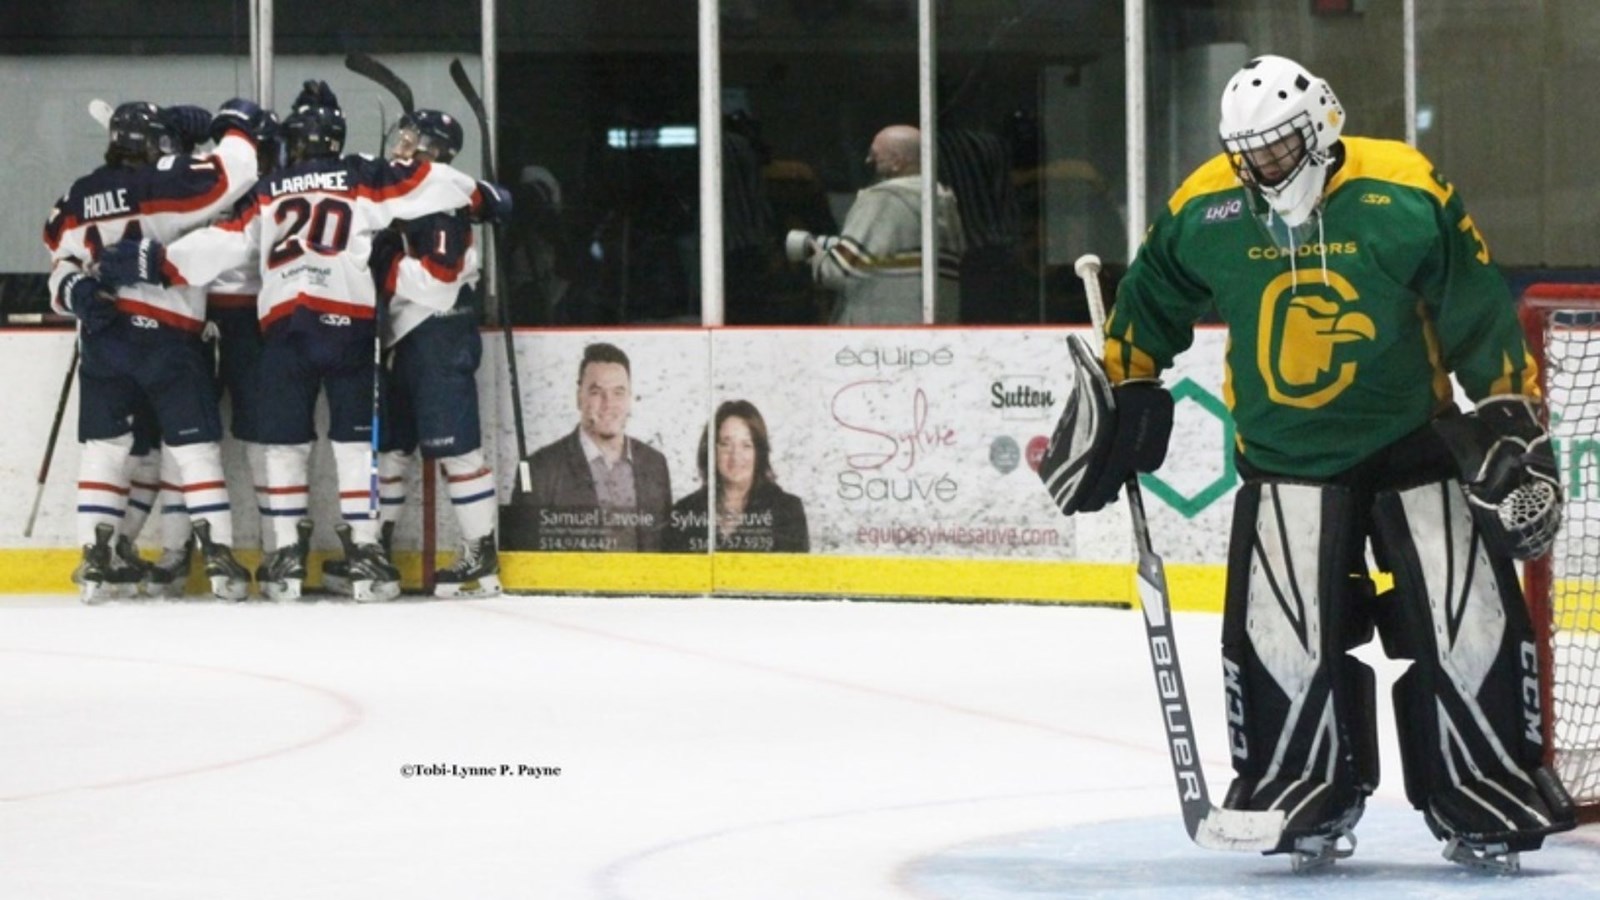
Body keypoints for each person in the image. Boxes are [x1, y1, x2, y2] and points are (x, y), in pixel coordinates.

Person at [1039, 55, 1573, 871]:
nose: (1263, 168)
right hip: (1283, 455)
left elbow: (1474, 303)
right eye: (1249, 154)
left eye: (1280, 149)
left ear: (1322, 126)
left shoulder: (1404, 189)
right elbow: (1148, 298)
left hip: (1412, 441)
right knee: (1283, 638)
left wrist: (1505, 407)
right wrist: (1130, 381)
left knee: (1467, 622)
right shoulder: (1207, 204)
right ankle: (1298, 782)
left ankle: (1486, 780)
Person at [99, 80, 511, 603]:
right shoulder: (362, 172)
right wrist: (481, 194)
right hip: (351, 325)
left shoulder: (268, 188)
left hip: (286, 328)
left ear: (292, 140)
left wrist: (153, 262)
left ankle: (286, 559)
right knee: (356, 444)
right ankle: (365, 554)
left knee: (285, 445)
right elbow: (427, 180)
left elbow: (223, 243)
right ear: (337, 139)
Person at [44, 97, 265, 602]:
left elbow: (60, 260)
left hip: (104, 340)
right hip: (169, 336)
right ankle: (219, 558)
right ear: (157, 145)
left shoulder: (76, 195)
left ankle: (96, 560)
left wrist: (72, 291)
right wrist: (230, 122)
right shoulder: (164, 181)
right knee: (193, 450)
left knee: (105, 451)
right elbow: (240, 169)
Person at [342, 107, 501, 599]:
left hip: (439, 335)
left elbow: (437, 283)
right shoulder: (409, 196)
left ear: (435, 149)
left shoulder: (442, 205)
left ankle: (481, 557)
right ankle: (377, 553)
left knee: (457, 448)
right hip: (404, 339)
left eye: (413, 139)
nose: (401, 145)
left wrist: (386, 262)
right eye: (402, 135)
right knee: (391, 448)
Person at [786, 124, 964, 324]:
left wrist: (814, 252)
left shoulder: (883, 199)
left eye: (875, 155)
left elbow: (840, 270)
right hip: (934, 326)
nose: (868, 160)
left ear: (897, 162)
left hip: (881, 331)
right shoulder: (943, 200)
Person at [522, 342, 671, 551]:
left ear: (630, 398)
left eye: (618, 392)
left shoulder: (655, 464)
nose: (608, 403)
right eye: (596, 392)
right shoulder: (539, 470)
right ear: (579, 397)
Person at [664, 400, 808, 553]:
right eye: (725, 444)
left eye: (746, 445)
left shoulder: (787, 511)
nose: (735, 456)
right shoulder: (684, 511)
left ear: (759, 453)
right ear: (711, 450)